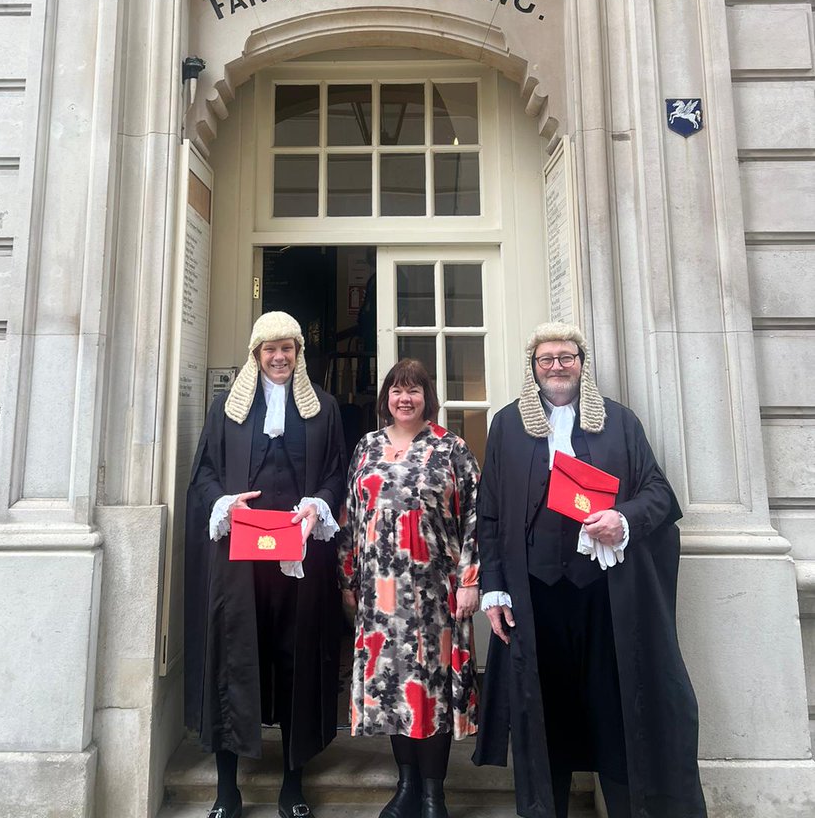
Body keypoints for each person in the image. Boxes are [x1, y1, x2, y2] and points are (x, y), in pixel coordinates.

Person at [473, 322, 707, 818]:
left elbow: (660, 496)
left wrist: (622, 519)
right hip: (535, 596)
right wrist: (493, 589)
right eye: (546, 359)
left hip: (604, 594)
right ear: (533, 368)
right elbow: (490, 514)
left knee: (614, 708)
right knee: (544, 715)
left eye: (566, 357)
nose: (557, 366)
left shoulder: (620, 423)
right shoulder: (507, 426)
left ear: (582, 362)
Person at [185, 311, 346, 818]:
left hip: (300, 562)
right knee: (236, 660)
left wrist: (317, 505)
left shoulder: (324, 408)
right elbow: (205, 472)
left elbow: (337, 474)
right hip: (240, 565)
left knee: (296, 661)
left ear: (299, 354)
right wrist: (225, 503)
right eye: (269, 349)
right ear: (255, 356)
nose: (279, 357)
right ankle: (227, 789)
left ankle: (292, 783)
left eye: (289, 349)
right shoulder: (225, 410)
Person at [339, 359, 480, 818]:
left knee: (432, 690)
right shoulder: (366, 446)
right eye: (397, 390)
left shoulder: (452, 448)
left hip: (435, 593)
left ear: (427, 397)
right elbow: (350, 518)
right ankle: (406, 786)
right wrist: (349, 579)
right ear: (386, 398)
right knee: (394, 688)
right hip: (379, 595)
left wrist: (469, 581)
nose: (405, 398)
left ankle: (433, 793)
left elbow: (477, 520)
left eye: (414, 391)